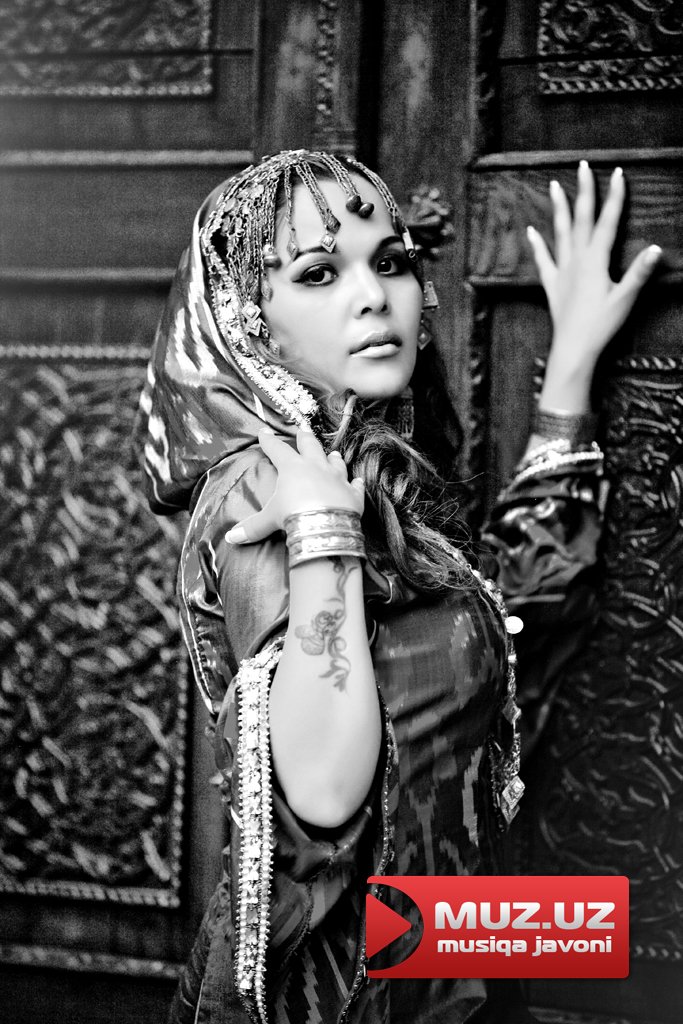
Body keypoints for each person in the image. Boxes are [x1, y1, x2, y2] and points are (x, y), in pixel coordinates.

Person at [135, 151, 660, 1023]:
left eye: (390, 261)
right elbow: (324, 794)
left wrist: (567, 371)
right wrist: (321, 532)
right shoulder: (270, 487)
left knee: (615, 941)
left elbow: (494, 640)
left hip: (436, 942)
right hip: (342, 987)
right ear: (248, 325)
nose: (374, 296)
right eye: (317, 273)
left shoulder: (366, 467)